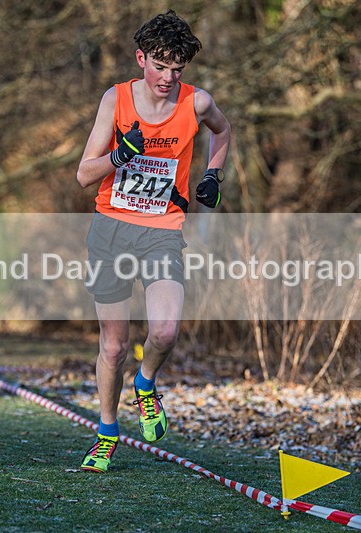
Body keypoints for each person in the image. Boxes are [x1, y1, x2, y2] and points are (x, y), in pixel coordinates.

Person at [75, 10, 230, 473]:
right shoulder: (116, 99)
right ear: (141, 58)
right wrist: (122, 153)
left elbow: (223, 131)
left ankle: (146, 384)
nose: (168, 78)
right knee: (114, 345)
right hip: (110, 230)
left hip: (162, 230)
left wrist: (213, 175)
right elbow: (85, 175)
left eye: (177, 69)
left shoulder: (197, 103)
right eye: (159, 66)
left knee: (164, 330)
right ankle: (105, 432)